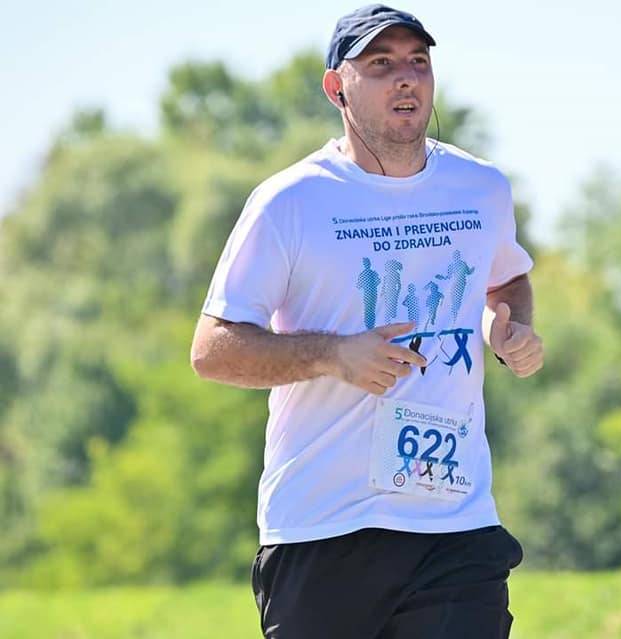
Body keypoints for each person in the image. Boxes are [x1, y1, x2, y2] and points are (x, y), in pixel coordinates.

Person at [189, 4, 543, 638]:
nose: (405, 78)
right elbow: (213, 350)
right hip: (323, 527)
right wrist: (334, 355)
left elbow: (505, 279)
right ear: (337, 87)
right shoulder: (290, 201)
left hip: (453, 525)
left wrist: (507, 329)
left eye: (418, 62)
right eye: (380, 64)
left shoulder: (480, 187)